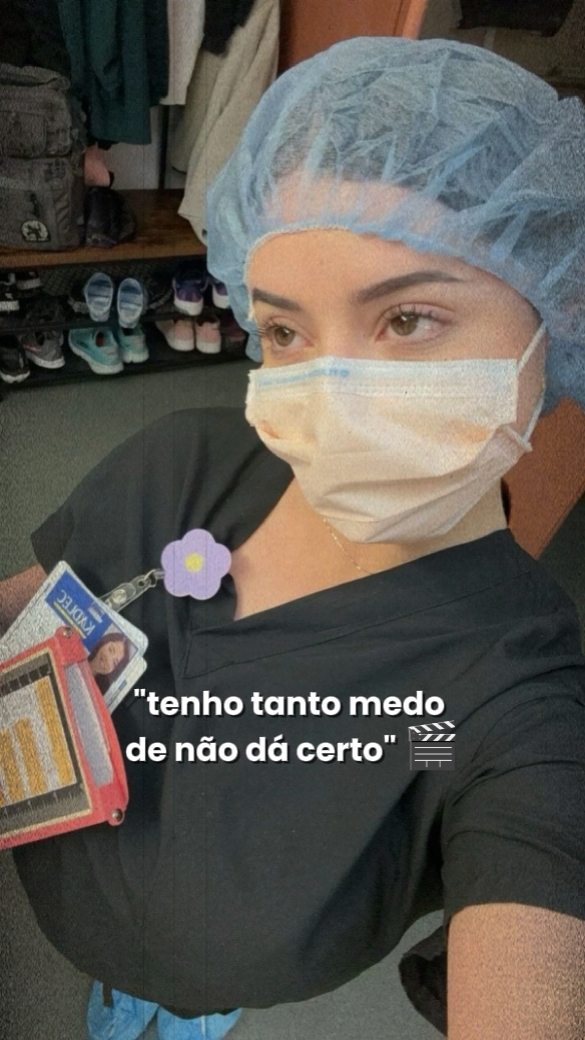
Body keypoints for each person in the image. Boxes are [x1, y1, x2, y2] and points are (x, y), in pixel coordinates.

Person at [1, 35, 585, 1040]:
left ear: (556, 310)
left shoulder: (519, 697)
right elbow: (40, 597)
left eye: (407, 318)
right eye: (284, 331)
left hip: (209, 983)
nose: (332, 390)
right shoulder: (181, 459)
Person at [88, 631, 130, 695]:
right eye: (111, 649)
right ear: (104, 643)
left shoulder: (95, 693)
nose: (108, 659)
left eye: (114, 663)